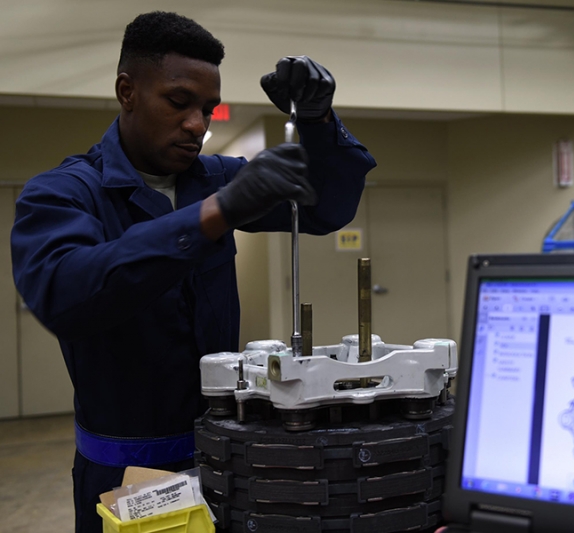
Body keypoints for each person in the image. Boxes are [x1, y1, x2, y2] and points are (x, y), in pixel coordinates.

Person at [10, 11, 376, 533]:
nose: (197, 125)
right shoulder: (65, 193)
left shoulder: (214, 178)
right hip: (125, 476)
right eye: (178, 102)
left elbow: (325, 208)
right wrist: (214, 214)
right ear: (127, 91)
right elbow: (64, 294)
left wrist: (318, 124)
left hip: (228, 458)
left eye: (207, 109)